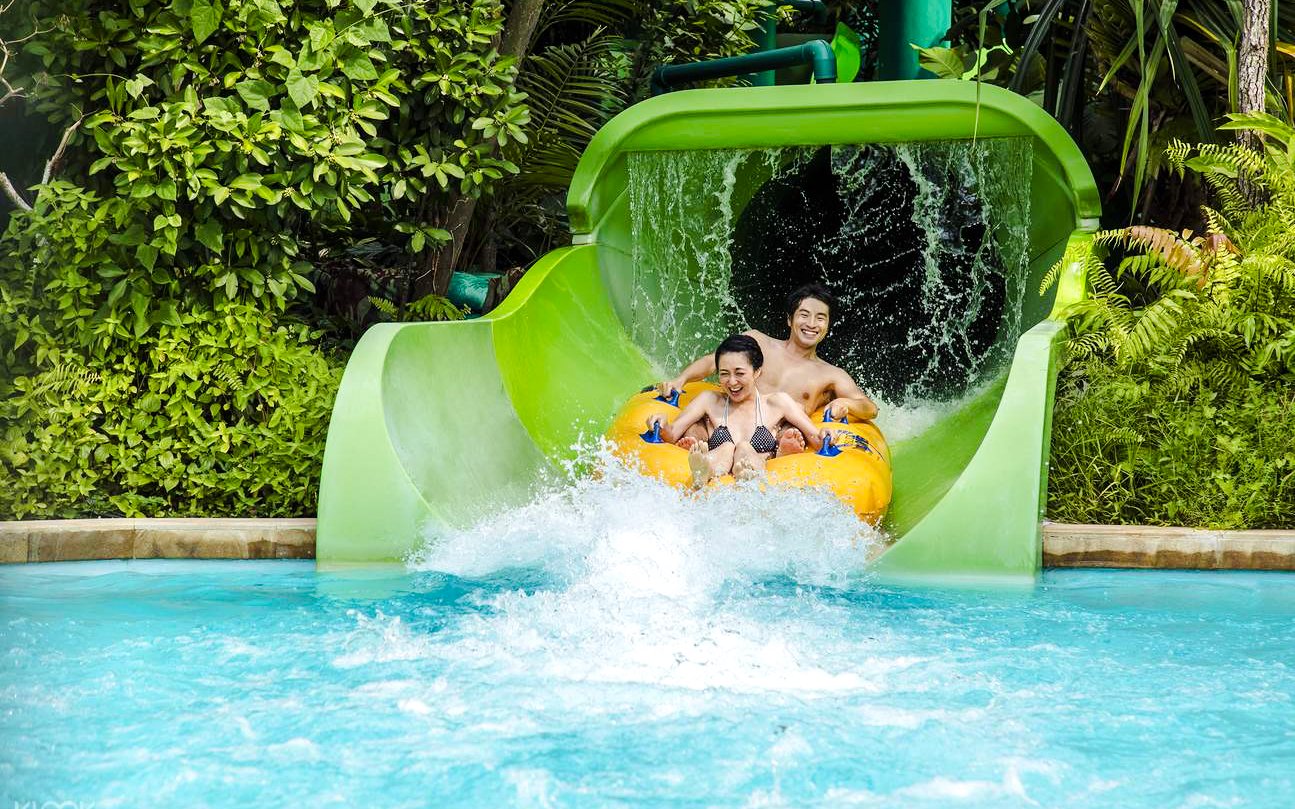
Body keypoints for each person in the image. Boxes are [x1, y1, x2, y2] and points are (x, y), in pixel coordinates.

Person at [658, 283, 878, 455]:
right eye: (804, 315)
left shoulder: (830, 374)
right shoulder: (757, 341)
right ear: (789, 319)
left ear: (827, 326)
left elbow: (869, 407)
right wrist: (681, 379)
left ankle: (782, 450)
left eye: (820, 318)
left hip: (773, 433)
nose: (811, 323)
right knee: (697, 424)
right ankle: (695, 447)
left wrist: (846, 404)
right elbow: (712, 362)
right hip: (729, 420)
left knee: (791, 431)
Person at [647, 335, 830, 488]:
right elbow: (672, 433)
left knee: (744, 447)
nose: (732, 382)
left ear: (757, 372)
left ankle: (747, 473)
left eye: (739, 373)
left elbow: (815, 438)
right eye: (724, 374)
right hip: (718, 465)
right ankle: (705, 471)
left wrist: (825, 435)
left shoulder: (777, 403)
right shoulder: (709, 400)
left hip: (759, 469)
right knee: (726, 447)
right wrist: (661, 423)